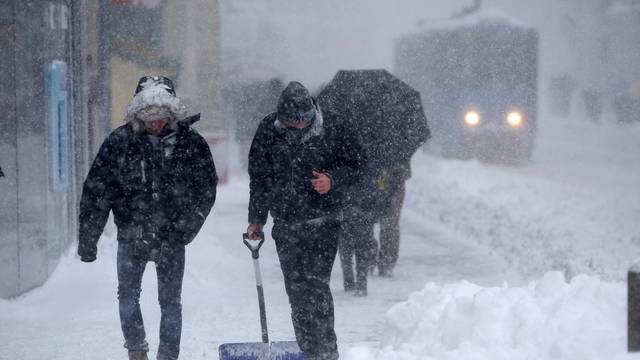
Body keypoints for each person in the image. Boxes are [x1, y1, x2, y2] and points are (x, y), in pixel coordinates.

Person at [78, 76, 218, 360]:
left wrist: (186, 228)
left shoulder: (190, 144)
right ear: (137, 115)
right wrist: (88, 239)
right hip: (131, 232)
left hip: (172, 235)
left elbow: (205, 190)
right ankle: (137, 351)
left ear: (172, 114)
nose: (155, 123)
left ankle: (167, 356)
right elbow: (97, 191)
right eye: (148, 117)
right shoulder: (119, 142)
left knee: (170, 303)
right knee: (128, 297)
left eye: (161, 117)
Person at [246, 81, 364, 360]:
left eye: (303, 121)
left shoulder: (334, 127)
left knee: (316, 286)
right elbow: (259, 178)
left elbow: (358, 164)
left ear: (312, 112)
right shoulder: (268, 130)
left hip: (324, 220)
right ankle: (308, 349)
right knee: (296, 290)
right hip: (286, 223)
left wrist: (332, 180)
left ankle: (326, 351)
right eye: (291, 123)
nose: (298, 127)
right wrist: (256, 219)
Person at [372, 160, 410, 277]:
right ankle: (371, 258)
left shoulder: (400, 146)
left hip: (394, 181)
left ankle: (386, 262)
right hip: (372, 179)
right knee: (367, 222)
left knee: (390, 224)